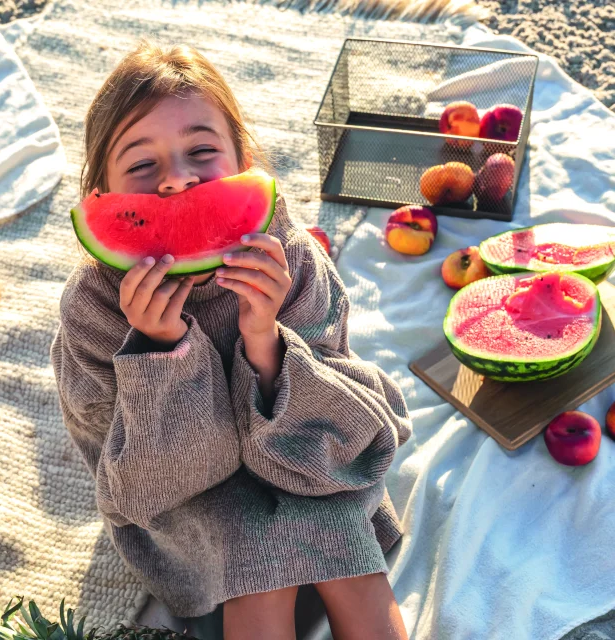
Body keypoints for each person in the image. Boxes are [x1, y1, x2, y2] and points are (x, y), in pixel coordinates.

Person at [50, 38, 412, 640]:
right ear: (100, 192)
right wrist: (160, 356)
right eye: (142, 165)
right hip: (184, 494)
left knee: (346, 545)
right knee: (256, 568)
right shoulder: (92, 310)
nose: (175, 185)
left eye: (201, 151)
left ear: (245, 161)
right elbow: (135, 487)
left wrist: (265, 339)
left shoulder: (287, 257)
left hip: (304, 452)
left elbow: (340, 435)